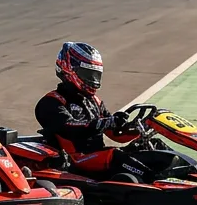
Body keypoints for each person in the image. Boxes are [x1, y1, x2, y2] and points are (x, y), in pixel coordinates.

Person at [33, 42, 136, 176]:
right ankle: (157, 182)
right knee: (117, 156)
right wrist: (106, 122)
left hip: (97, 155)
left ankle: (163, 175)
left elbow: (115, 135)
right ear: (68, 70)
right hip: (74, 161)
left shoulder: (94, 101)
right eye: (88, 74)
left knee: (144, 149)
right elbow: (69, 129)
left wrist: (137, 128)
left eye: (95, 75)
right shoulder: (51, 102)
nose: (92, 79)